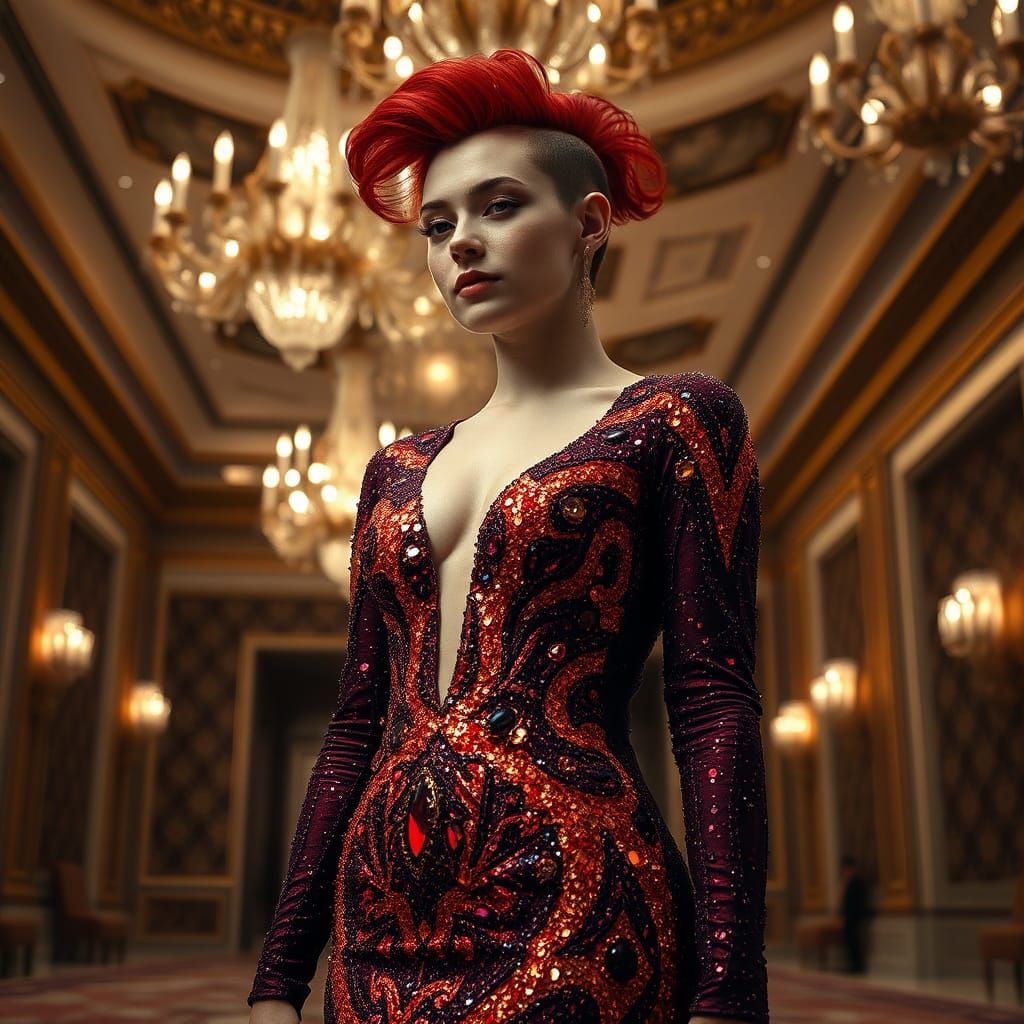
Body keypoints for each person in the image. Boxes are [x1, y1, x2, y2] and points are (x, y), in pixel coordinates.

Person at [248, 48, 769, 1024]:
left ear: (587, 223)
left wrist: (732, 993)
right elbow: (356, 725)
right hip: (375, 932)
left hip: (579, 908)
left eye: (496, 207)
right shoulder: (391, 469)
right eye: (437, 225)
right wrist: (280, 976)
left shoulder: (675, 419)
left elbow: (711, 703)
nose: (459, 246)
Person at [839, 854, 870, 974]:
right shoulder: (849, 881)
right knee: (850, 941)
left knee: (854, 941)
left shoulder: (856, 881)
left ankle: (857, 966)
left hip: (854, 916)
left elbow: (857, 901)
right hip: (849, 916)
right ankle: (852, 965)